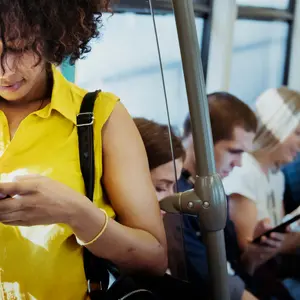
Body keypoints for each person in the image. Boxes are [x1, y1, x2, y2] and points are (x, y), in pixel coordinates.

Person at [0, 1, 167, 299]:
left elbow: (153, 260)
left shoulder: (101, 117)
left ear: (53, 33)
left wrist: (76, 212)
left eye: (20, 47)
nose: (6, 71)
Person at [180, 92, 287, 299]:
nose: (238, 164)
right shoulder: (179, 201)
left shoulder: (215, 193)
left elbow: (236, 270)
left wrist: (254, 254)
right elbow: (211, 282)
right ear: (200, 141)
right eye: (234, 151)